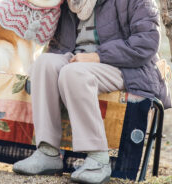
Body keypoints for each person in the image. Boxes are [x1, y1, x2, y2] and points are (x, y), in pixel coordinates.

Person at [13, 0, 169, 183]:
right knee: (44, 63)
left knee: (73, 73)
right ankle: (48, 152)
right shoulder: (69, 3)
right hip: (77, 60)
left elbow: (146, 43)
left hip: (126, 67)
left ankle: (98, 160)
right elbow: (57, 43)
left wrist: (97, 56)